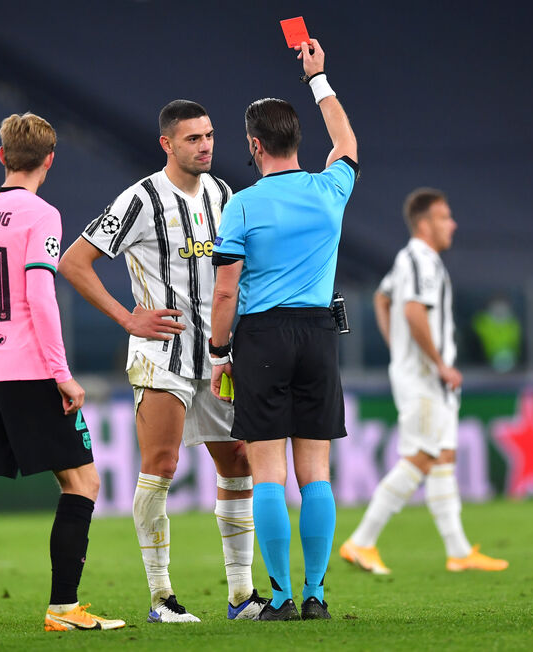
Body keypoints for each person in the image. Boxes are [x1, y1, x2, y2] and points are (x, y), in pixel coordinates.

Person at [60, 100, 264, 622]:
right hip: (162, 355)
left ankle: (241, 595)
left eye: (210, 135)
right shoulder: (141, 199)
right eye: (193, 138)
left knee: (238, 461)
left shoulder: (223, 194)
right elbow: (74, 262)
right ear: (166, 144)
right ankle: (161, 598)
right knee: (162, 466)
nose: (206, 145)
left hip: (216, 356)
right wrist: (128, 318)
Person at [0, 113, 124, 635]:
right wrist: (61, 372)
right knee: (82, 482)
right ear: (49, 160)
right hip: (29, 371)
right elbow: (39, 293)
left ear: (2, 156)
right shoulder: (42, 215)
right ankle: (63, 609)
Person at [209, 38, 357, 622]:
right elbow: (347, 143)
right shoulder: (329, 190)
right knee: (315, 473)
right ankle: (317, 594)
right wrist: (318, 79)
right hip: (318, 334)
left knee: (268, 473)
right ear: (297, 141)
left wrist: (219, 353)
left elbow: (226, 292)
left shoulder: (241, 206)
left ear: (254, 145)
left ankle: (279, 598)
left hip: (262, 340)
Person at [339, 189, 509, 574]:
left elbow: (383, 299)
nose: (453, 224)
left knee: (443, 456)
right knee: (420, 456)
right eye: (445, 217)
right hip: (425, 377)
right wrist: (436, 362)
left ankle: (459, 551)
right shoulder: (419, 259)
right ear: (425, 223)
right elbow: (413, 310)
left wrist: (398, 347)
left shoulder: (411, 260)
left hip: (423, 375)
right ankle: (362, 541)